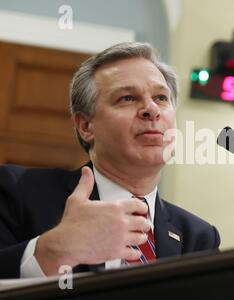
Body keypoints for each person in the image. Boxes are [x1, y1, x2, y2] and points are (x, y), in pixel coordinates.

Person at [0, 42, 220, 279]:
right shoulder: (19, 192)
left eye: (161, 97)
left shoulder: (199, 238)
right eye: (127, 98)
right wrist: (52, 252)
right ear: (86, 126)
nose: (151, 109)